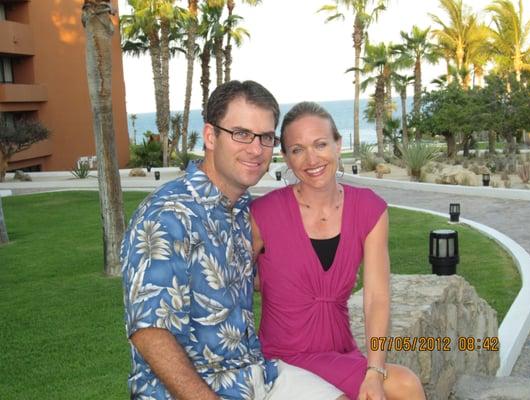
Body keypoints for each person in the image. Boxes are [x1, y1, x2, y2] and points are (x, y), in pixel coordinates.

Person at [121, 82, 348, 400]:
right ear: (211, 136)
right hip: (190, 390)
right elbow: (149, 332)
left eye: (266, 137)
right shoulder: (167, 214)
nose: (256, 149)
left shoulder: (244, 210)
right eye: (241, 133)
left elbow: (247, 278)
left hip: (255, 374)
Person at [251, 101, 426, 400]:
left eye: (320, 144)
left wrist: (375, 370)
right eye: (297, 149)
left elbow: (376, 297)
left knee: (405, 385)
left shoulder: (369, 209)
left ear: (338, 145)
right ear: (286, 158)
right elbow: (231, 280)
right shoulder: (264, 213)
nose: (311, 159)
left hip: (339, 351)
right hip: (282, 355)